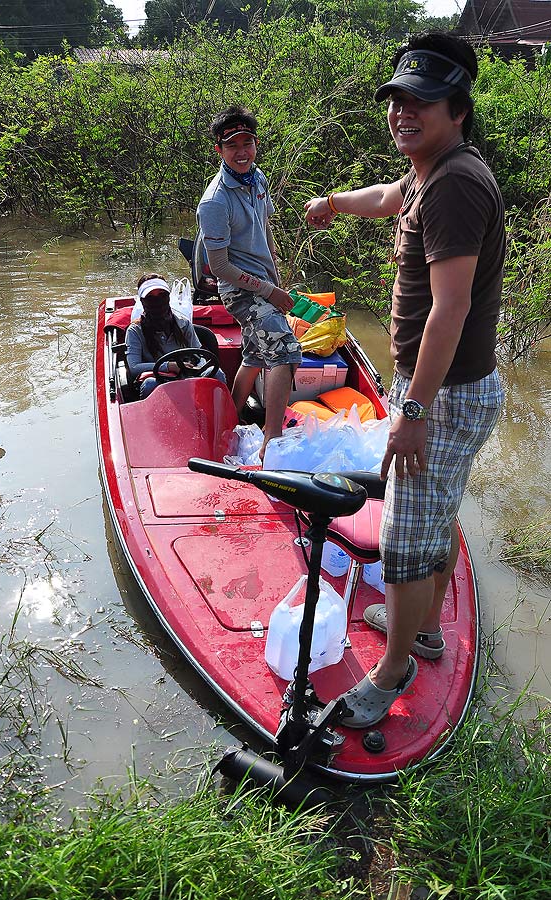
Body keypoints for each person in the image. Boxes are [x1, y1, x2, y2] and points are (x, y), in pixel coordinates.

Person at [305, 32, 505, 727]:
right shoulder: (433, 172)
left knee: (403, 534)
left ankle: (391, 674)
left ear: (457, 108)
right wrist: (333, 202)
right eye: (396, 101)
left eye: (420, 102)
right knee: (434, 513)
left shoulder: (454, 186)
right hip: (448, 388)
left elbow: (452, 307)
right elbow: (388, 197)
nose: (402, 113)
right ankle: (419, 627)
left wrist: (412, 410)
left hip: (441, 394)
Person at [196, 105, 302, 461]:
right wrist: (268, 290)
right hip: (239, 290)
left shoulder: (257, 178)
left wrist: (275, 274)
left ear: (256, 145)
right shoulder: (214, 201)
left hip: (265, 282)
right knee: (285, 351)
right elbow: (219, 267)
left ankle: (229, 419)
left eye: (248, 143)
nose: (242, 152)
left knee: (256, 354)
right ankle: (271, 444)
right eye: (233, 146)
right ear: (220, 151)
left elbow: (265, 228)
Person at [126, 274, 226, 399]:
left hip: (188, 375)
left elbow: (199, 354)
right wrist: (168, 366)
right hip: (159, 379)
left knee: (217, 373)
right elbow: (134, 367)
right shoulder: (135, 330)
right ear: (142, 301)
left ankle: (219, 416)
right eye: (151, 297)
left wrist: (195, 366)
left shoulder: (183, 323)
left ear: (168, 297)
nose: (157, 301)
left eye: (162, 295)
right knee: (149, 385)